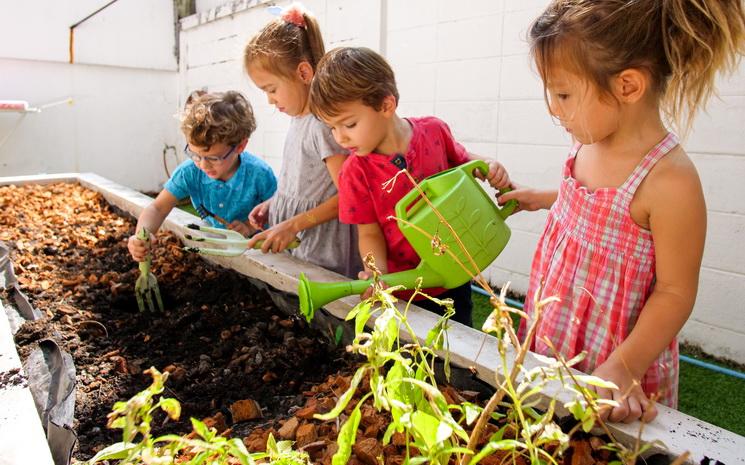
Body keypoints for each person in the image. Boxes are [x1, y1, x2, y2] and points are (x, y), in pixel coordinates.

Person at [497, 0, 745, 423]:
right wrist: (547, 197)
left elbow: (675, 292)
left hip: (613, 355)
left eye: (563, 94)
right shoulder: (588, 139)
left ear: (628, 87)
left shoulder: (670, 181)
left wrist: (626, 366)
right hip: (557, 327)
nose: (553, 109)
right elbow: (600, 210)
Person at [308, 47, 511, 327]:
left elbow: (464, 162)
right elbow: (368, 232)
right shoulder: (355, 171)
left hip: (455, 273)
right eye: (332, 128)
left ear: (386, 105)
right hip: (405, 289)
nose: (340, 138)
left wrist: (488, 163)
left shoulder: (434, 131)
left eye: (349, 124)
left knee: (458, 348)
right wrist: (377, 273)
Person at [243, 3, 360, 278]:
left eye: (271, 89)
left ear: (304, 74)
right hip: (302, 244)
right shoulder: (299, 118)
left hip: (325, 253)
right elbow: (306, 182)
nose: (270, 100)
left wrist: (293, 225)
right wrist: (274, 204)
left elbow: (349, 197)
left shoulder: (323, 125)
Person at [127, 90, 276, 262]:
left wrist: (249, 227)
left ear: (240, 146)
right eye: (195, 155)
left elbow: (277, 211)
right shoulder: (190, 172)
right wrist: (141, 236)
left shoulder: (259, 174)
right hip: (217, 248)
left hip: (257, 250)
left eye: (213, 158)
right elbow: (157, 208)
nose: (203, 165)